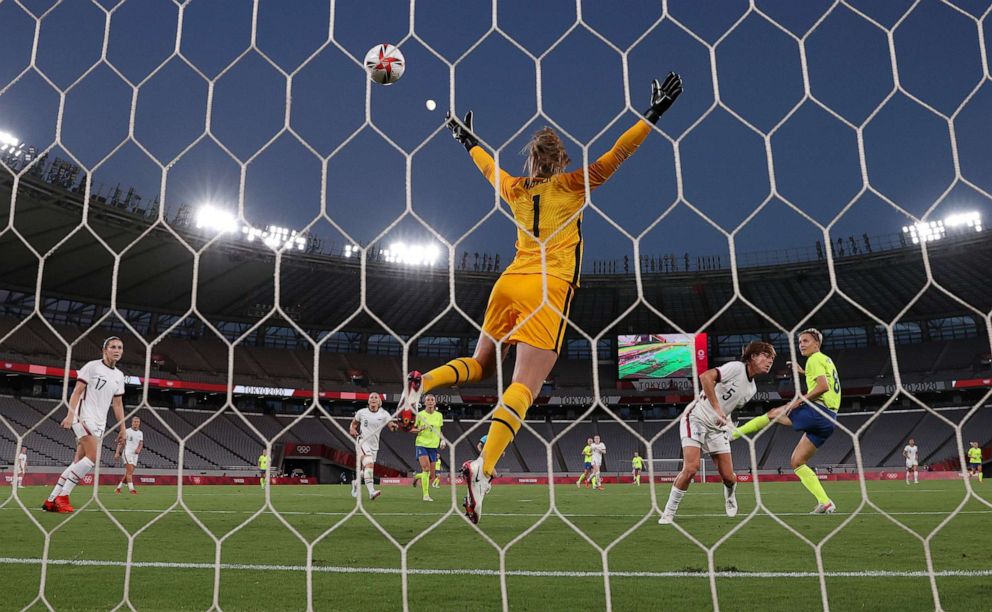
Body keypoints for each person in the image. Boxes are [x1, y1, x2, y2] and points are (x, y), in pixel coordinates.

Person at [397, 74, 683, 524]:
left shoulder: (515, 189)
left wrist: (467, 139)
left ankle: (423, 384)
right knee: (525, 387)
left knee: (481, 365)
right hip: (547, 291)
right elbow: (619, 153)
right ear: (561, 159)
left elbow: (487, 166)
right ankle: (482, 467)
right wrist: (653, 112)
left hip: (508, 281)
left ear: (531, 161)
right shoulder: (573, 185)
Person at [659, 341, 776, 524]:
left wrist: (728, 422)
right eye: (766, 356)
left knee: (729, 477)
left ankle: (730, 496)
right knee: (691, 468)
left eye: (772, 359)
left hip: (717, 429)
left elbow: (729, 407)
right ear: (753, 356)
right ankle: (668, 512)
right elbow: (705, 377)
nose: (770, 361)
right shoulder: (736, 368)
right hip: (696, 418)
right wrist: (716, 409)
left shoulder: (752, 389)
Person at [733, 329, 840, 514]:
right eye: (799, 342)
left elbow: (823, 386)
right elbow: (826, 381)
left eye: (806, 341)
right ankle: (826, 502)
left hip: (818, 411)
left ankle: (732, 434)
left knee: (774, 413)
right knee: (797, 462)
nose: (802, 345)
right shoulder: (825, 360)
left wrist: (800, 400)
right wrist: (802, 371)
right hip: (830, 418)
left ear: (817, 343)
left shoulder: (814, 359)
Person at [43, 337, 127, 513]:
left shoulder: (119, 376)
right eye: (113, 347)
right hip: (83, 417)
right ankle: (63, 496)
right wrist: (69, 415)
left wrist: (122, 428)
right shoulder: (92, 366)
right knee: (93, 458)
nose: (117, 350)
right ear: (105, 350)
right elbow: (76, 392)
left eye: (119, 347)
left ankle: (50, 500)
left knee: (79, 461)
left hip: (100, 422)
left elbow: (117, 404)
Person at [349, 392, 397, 500]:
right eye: (371, 397)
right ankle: (371, 492)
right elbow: (353, 424)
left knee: (367, 469)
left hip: (374, 445)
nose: (373, 399)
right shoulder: (362, 412)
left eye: (376, 397)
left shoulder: (384, 414)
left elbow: (391, 426)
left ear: (379, 401)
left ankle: (355, 483)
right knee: (369, 464)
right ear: (368, 401)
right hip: (362, 441)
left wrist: (394, 427)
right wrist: (352, 429)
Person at [410, 394, 444, 502]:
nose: (430, 401)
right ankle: (426, 495)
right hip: (422, 444)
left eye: (432, 400)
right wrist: (420, 429)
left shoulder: (439, 415)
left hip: (433, 446)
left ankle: (417, 477)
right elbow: (411, 429)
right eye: (428, 400)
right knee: (426, 469)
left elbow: (439, 430)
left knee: (431, 476)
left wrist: (442, 440)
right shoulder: (420, 415)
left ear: (435, 403)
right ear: (425, 403)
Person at [115, 416, 144, 495]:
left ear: (139, 423)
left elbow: (141, 443)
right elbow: (120, 442)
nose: (136, 423)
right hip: (127, 453)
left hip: (135, 455)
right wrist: (117, 453)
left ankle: (118, 488)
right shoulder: (127, 431)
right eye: (134, 422)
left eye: (137, 422)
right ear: (132, 423)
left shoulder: (140, 433)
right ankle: (132, 490)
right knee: (130, 472)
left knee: (129, 472)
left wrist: (139, 449)